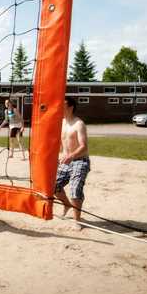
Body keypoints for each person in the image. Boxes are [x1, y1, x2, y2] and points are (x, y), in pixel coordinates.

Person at [54, 97, 90, 231]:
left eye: (62, 106)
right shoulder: (61, 122)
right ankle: (67, 205)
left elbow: (84, 146)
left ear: (70, 107)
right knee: (53, 186)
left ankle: (77, 220)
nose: (59, 108)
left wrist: (71, 156)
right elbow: (60, 143)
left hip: (80, 160)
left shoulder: (79, 124)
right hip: (65, 161)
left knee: (75, 190)